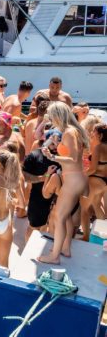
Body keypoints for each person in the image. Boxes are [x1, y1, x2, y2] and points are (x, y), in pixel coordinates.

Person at [39, 102, 90, 263]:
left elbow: (73, 159)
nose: (50, 118)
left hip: (73, 180)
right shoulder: (71, 131)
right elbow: (72, 155)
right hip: (75, 179)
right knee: (65, 215)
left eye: (51, 115)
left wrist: (52, 157)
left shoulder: (69, 132)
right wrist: (55, 147)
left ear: (58, 115)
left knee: (59, 217)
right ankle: (65, 248)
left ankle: (54, 257)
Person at [23, 129, 62, 237]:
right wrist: (44, 177)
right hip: (38, 198)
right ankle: (28, 252)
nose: (54, 146)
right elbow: (24, 176)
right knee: (34, 227)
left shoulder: (62, 157)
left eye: (57, 143)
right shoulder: (34, 155)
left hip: (56, 200)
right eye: (52, 143)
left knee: (47, 227)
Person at [83, 123, 107, 240]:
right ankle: (103, 235)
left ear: (100, 135)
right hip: (104, 182)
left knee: (84, 210)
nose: (92, 133)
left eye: (94, 131)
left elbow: (92, 169)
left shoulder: (99, 147)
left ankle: (86, 237)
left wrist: (81, 175)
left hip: (95, 180)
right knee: (97, 206)